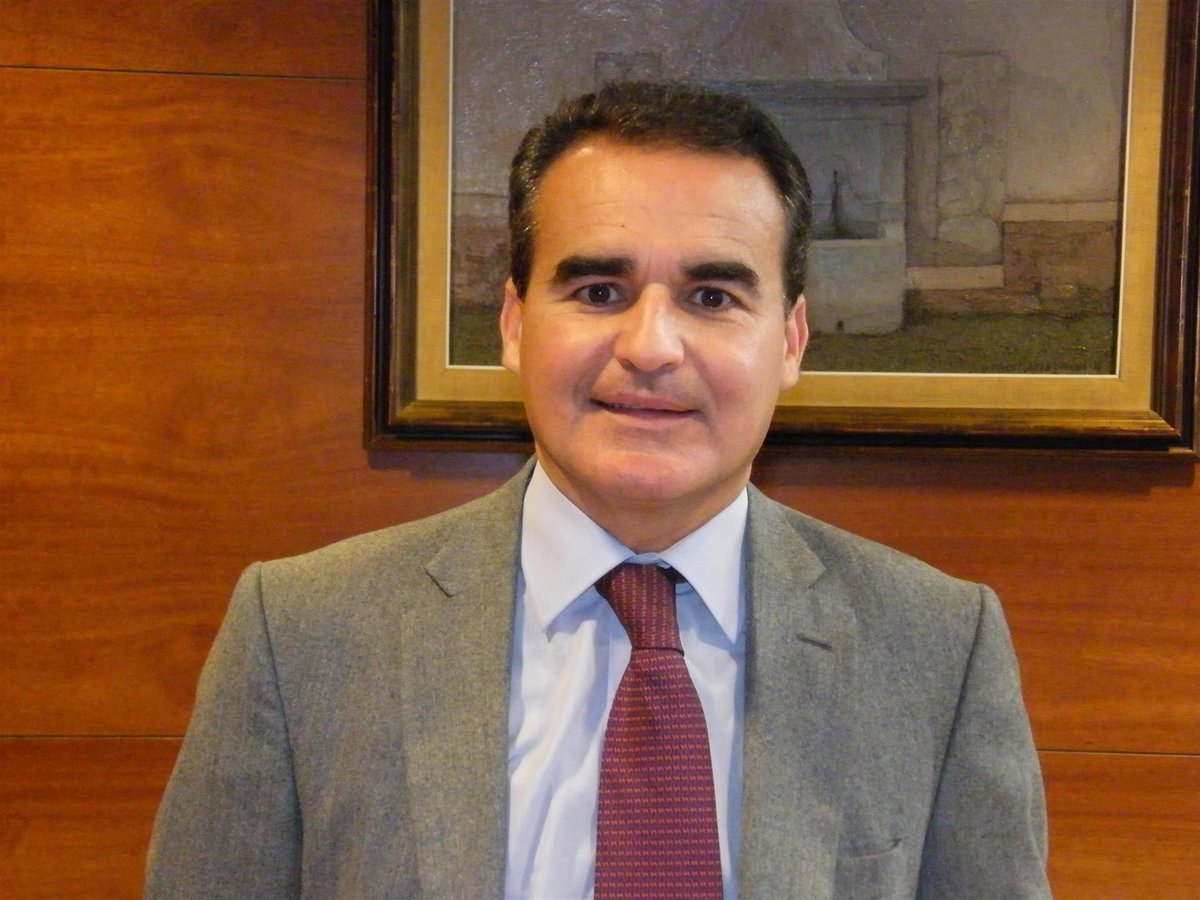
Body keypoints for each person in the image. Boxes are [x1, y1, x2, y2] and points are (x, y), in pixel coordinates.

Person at [146, 81, 1050, 898]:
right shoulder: (301, 632)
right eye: (598, 290)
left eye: (712, 297)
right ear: (514, 324)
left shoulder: (938, 647)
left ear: (790, 341)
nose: (650, 347)